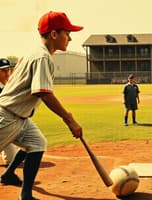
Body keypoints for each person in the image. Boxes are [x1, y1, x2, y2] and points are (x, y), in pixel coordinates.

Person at [0, 11, 83, 200]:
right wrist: (69, 119)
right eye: (67, 33)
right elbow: (43, 93)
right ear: (54, 34)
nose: (69, 38)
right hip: (5, 117)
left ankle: (22, 190)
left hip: (19, 117)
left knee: (37, 143)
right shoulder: (42, 57)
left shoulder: (35, 52)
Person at [0, 58, 18, 167]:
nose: (7, 73)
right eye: (3, 70)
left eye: (8, 70)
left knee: (12, 159)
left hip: (5, 124)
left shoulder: (7, 86)